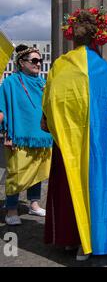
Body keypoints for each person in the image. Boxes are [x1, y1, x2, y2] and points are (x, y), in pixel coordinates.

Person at [42, 7, 107, 261]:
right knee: (94, 185)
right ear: (98, 38)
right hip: (97, 142)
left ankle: (67, 239)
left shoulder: (60, 64)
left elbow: (50, 101)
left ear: (71, 36)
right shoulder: (101, 68)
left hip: (66, 141)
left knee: (68, 186)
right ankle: (89, 242)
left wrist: (54, 124)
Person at [0, 44, 53, 226]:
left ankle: (34, 204)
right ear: (21, 63)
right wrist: (5, 131)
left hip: (42, 135)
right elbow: (2, 108)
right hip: (20, 136)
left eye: (40, 60)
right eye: (35, 60)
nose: (39, 63)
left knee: (36, 172)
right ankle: (12, 209)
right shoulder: (10, 82)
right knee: (17, 172)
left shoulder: (43, 83)